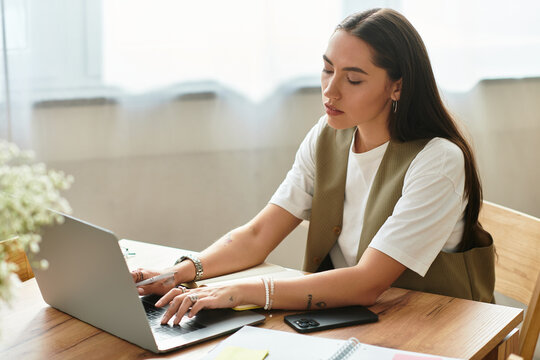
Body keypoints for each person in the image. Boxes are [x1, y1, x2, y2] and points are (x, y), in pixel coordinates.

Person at [131, 8, 495, 326]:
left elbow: (368, 282)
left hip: (432, 329)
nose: (330, 91)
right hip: (356, 320)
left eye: (353, 79)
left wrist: (239, 291)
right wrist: (176, 273)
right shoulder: (328, 135)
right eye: (326, 69)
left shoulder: (438, 160)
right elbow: (259, 235)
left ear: (397, 87)